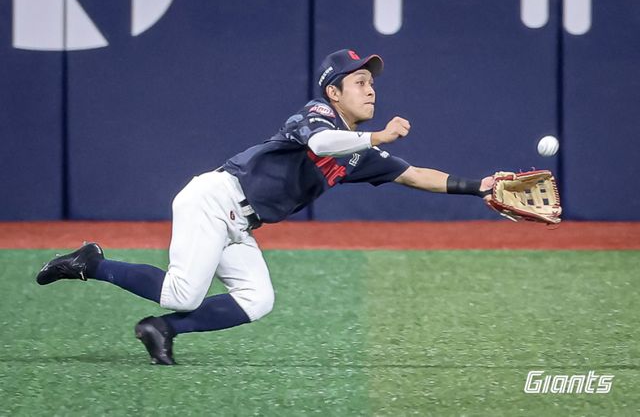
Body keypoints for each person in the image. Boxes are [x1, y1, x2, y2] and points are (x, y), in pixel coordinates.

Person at [36, 49, 494, 365]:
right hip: (214, 200)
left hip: (240, 223)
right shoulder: (315, 114)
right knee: (183, 293)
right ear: (334, 92)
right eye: (359, 82)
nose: (370, 90)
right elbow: (321, 143)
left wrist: (480, 187)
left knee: (257, 299)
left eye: (371, 83)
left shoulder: (360, 153)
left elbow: (415, 175)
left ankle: (163, 329)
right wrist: (377, 135)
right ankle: (92, 263)